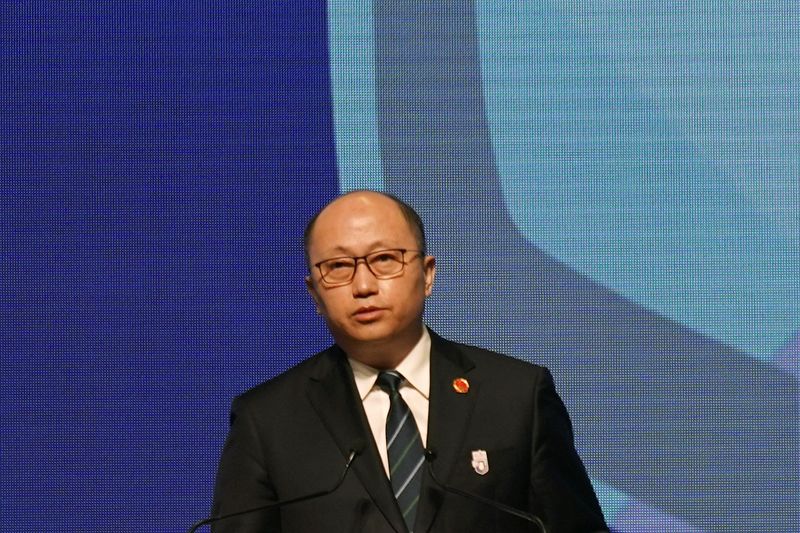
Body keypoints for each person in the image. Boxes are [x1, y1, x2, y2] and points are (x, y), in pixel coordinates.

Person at [211, 190, 607, 532]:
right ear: (314, 293)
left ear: (427, 273)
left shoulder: (515, 397)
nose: (363, 286)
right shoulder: (269, 419)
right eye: (338, 267)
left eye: (384, 259)